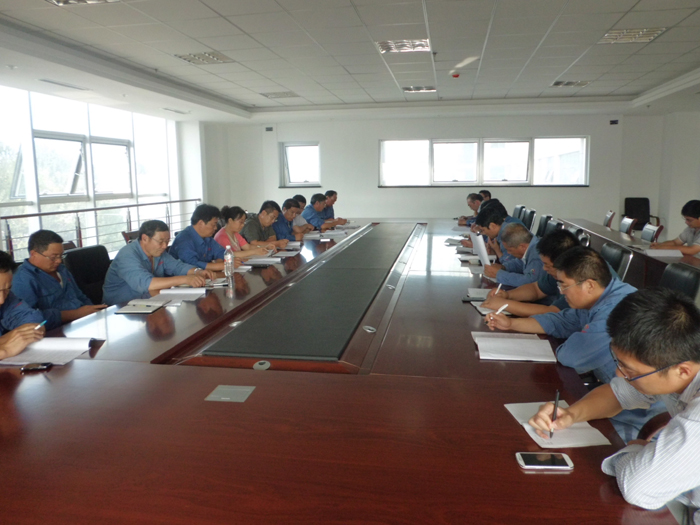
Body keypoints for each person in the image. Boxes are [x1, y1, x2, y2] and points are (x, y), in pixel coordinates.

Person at [528, 288, 700, 520]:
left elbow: (640, 488)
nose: (619, 374)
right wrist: (570, 414)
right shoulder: (676, 364)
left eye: (630, 371)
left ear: (682, 371)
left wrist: (636, 450)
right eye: (619, 363)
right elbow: (618, 393)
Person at [486, 247, 664, 441]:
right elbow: (560, 321)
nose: (561, 293)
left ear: (589, 285)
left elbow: (570, 357)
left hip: (639, 421)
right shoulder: (600, 297)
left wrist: (572, 339)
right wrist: (511, 323)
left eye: (564, 286)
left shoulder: (617, 309)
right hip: (612, 396)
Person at [12, 229, 106, 330]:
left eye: (61, 256)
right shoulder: (23, 279)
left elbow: (80, 296)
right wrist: (76, 314)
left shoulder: (62, 270)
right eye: (53, 257)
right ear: (33, 254)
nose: (59, 261)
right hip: (55, 331)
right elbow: (29, 319)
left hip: (82, 323)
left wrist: (94, 312)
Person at [102, 220, 212, 305]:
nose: (164, 246)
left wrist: (198, 271)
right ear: (145, 238)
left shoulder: (157, 252)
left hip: (148, 301)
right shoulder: (127, 255)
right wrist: (185, 279)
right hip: (120, 308)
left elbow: (177, 266)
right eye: (160, 242)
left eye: (167, 241)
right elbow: (147, 283)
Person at [481, 229, 579, 317]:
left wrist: (505, 304)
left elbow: (553, 312)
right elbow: (535, 289)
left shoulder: (576, 282)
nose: (544, 268)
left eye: (547, 265)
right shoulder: (556, 274)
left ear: (563, 262)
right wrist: (507, 295)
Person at [0, 251, 45, 360]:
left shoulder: (8, 298)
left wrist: (22, 334)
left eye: (7, 290)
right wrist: (5, 350)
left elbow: (34, 322)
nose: (1, 300)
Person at [169, 204, 227, 272]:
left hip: (206, 275)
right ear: (201, 223)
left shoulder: (207, 237)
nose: (216, 228)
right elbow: (191, 265)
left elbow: (222, 252)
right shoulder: (183, 240)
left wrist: (217, 263)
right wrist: (218, 266)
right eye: (213, 225)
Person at [482, 223, 544, 287]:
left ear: (522, 246)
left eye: (510, 250)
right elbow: (519, 263)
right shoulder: (529, 248)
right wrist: (503, 267)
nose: (508, 253)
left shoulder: (537, 255)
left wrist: (498, 274)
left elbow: (530, 282)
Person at [471, 202, 526, 270]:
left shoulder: (508, 234)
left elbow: (511, 265)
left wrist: (497, 251)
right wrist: (494, 250)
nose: (483, 233)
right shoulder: (503, 230)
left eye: (483, 230)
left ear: (492, 226)